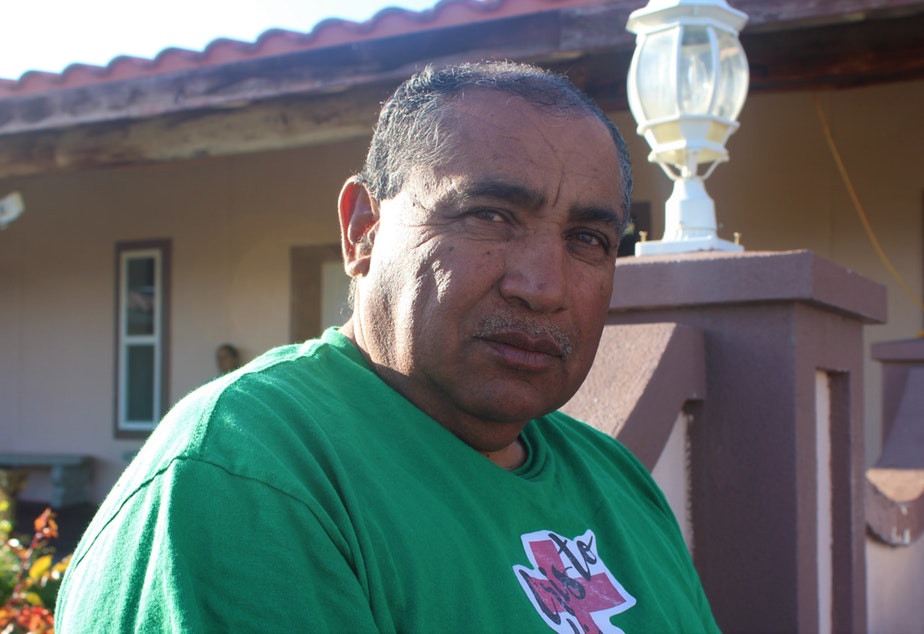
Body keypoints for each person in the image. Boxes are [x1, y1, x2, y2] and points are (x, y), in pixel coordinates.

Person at [56, 61, 719, 633]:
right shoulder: (248, 474)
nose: (543, 287)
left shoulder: (619, 483)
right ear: (363, 231)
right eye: (489, 215)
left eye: (588, 239)